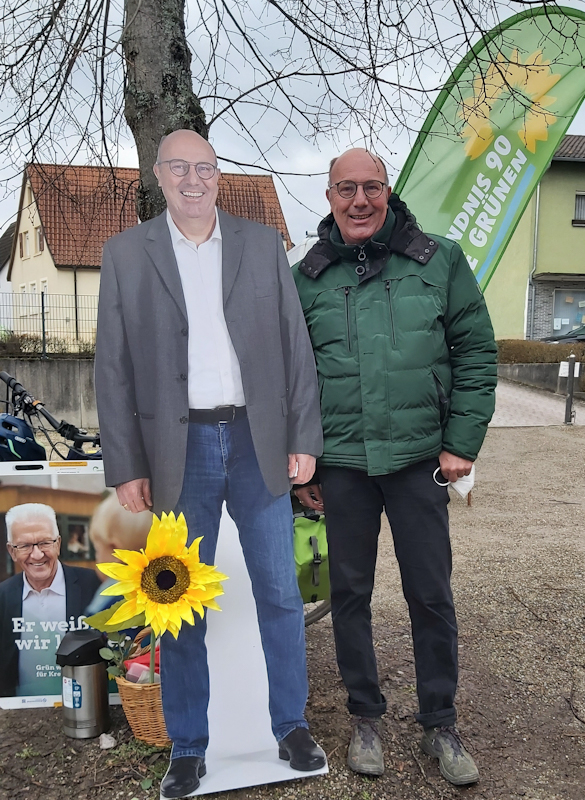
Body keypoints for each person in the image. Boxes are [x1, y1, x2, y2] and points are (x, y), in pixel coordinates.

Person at [95, 129, 326, 799]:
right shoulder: (125, 254)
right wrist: (125, 465)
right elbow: (112, 367)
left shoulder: (262, 245)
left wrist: (303, 436)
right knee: (175, 604)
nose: (192, 179)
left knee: (279, 593)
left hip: (257, 441)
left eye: (204, 168)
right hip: (178, 450)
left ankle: (291, 725)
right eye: (179, 168)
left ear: (218, 176)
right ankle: (188, 745)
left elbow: (295, 347)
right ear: (158, 175)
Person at [292, 148, 497, 786]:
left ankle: (441, 721)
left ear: (389, 192)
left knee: (430, 594)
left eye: (371, 187)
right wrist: (306, 467)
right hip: (343, 465)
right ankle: (364, 718)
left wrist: (461, 442)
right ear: (329, 196)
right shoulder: (306, 277)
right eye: (346, 188)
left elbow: (476, 351)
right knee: (349, 595)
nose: (360, 200)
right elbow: (291, 380)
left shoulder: (440, 261)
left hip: (417, 461)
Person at [0, 503, 100, 697]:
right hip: (20, 710)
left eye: (45, 542)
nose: (37, 554)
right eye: (25, 546)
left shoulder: (94, 586)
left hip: (85, 705)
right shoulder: (3, 596)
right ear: (12, 551)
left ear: (58, 544)